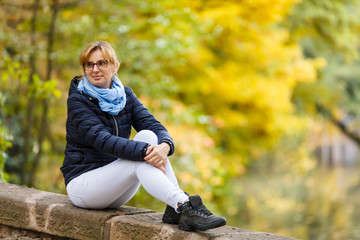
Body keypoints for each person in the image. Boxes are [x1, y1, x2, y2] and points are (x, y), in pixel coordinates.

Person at [60, 41, 226, 231]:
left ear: (115, 66)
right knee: (141, 156)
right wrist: (146, 152)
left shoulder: (126, 96)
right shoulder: (78, 100)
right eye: (89, 64)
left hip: (115, 184)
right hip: (84, 186)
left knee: (148, 135)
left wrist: (165, 145)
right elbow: (101, 139)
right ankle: (182, 203)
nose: (95, 69)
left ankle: (176, 208)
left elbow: (154, 125)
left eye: (102, 63)